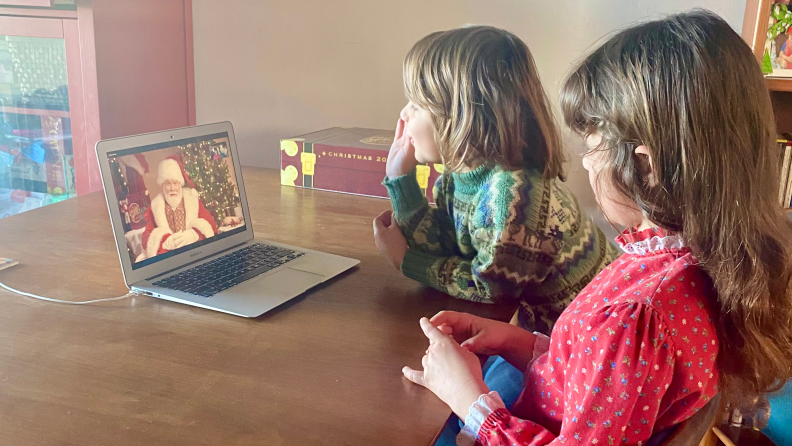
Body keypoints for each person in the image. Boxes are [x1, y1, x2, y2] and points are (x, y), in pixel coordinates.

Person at [400, 11, 792, 446]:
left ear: (645, 164)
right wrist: (517, 342)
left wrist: (469, 399)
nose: (585, 163)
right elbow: (597, 375)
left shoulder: (638, 315)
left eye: (592, 149)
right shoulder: (682, 263)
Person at [142, 156, 217, 258]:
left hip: (194, 253)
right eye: (168, 184)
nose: (172, 188)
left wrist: (193, 235)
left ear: (180, 184)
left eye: (175, 183)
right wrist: (166, 241)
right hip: (171, 258)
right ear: (163, 185)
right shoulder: (156, 206)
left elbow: (211, 225)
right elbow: (146, 238)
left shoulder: (192, 199)